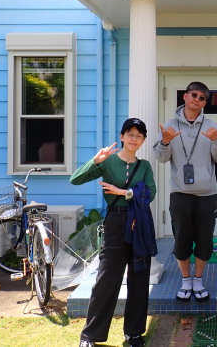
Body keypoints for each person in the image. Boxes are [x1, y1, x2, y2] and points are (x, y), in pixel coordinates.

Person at [72, 118, 157, 347]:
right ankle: (90, 335)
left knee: (139, 278)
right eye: (130, 134)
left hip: (140, 224)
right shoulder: (108, 162)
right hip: (116, 222)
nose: (134, 139)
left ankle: (134, 333)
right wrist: (95, 161)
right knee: (107, 279)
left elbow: (151, 193)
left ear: (143, 140)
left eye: (139, 135)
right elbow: (75, 179)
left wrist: (123, 192)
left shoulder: (145, 166)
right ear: (122, 136)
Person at [153, 81, 217, 302]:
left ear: (205, 103)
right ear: (185, 96)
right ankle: (186, 280)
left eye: (202, 98)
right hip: (180, 194)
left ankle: (198, 279)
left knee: (205, 240)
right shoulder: (169, 126)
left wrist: (216, 141)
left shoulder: (211, 126)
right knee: (182, 240)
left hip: (207, 194)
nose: (197, 100)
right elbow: (161, 158)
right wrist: (165, 141)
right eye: (194, 95)